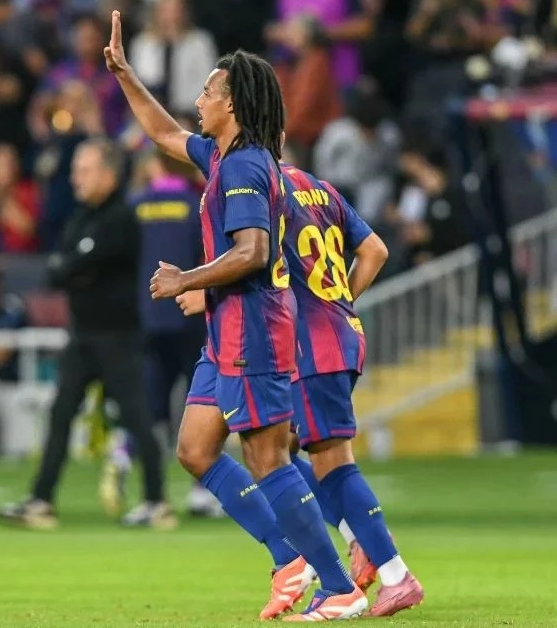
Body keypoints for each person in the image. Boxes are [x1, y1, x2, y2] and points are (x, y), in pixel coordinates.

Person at [105, 10, 366, 621]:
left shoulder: (246, 166)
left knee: (266, 457)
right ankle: (290, 559)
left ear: (233, 105)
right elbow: (164, 134)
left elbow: (254, 252)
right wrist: (123, 74)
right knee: (196, 448)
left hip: (254, 329)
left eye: (207, 92)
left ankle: (339, 584)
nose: (198, 100)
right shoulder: (224, 158)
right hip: (226, 330)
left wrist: (186, 279)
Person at [182, 158, 422, 616]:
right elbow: (374, 251)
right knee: (281, 452)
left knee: (329, 462)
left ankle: (392, 572)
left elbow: (254, 260)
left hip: (303, 339)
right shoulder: (319, 188)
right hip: (318, 335)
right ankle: (352, 542)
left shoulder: (261, 192)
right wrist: (340, 302)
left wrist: (203, 287)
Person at [0, 137, 176, 530]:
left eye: (85, 170)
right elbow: (59, 271)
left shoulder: (120, 219)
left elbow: (73, 265)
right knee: (60, 416)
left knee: (136, 417)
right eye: (76, 170)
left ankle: (157, 501)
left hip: (118, 337)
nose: (76, 178)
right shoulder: (80, 218)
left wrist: (74, 266)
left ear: (109, 175)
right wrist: (76, 266)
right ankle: (41, 500)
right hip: (82, 335)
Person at [99, 149, 221, 519]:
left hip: (147, 319)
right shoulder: (197, 205)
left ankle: (127, 458)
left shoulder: (135, 206)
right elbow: (212, 257)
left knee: (150, 407)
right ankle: (201, 491)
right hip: (190, 316)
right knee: (200, 405)